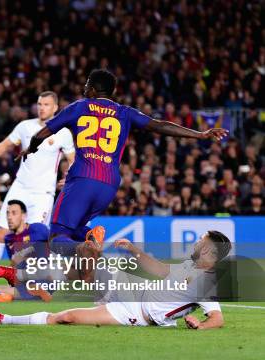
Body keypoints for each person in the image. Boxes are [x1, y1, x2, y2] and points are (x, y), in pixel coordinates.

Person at [20, 69, 228, 249]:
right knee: (74, 230)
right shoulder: (124, 112)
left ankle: (85, 248)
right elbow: (159, 125)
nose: (84, 88)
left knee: (57, 238)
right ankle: (89, 237)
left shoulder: (80, 107)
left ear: (93, 89)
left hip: (83, 177)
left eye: (86, 84)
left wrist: (30, 148)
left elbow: (42, 133)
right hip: (109, 184)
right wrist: (199, 134)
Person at [0, 231, 231, 330]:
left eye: (202, 241)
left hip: (135, 313)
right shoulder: (189, 265)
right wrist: (134, 250)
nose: (197, 241)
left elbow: (217, 319)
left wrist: (200, 326)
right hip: (131, 290)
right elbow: (162, 270)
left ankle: (2, 319)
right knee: (86, 265)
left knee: (66, 317)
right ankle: (17, 275)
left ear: (209, 251)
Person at [0, 91, 75, 284]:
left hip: (43, 194)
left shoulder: (63, 133)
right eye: (39, 104)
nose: (42, 107)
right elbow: (6, 144)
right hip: (20, 188)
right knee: (2, 232)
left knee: (37, 237)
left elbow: (73, 160)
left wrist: (69, 177)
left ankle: (44, 279)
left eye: (46, 104)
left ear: (55, 107)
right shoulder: (25, 126)